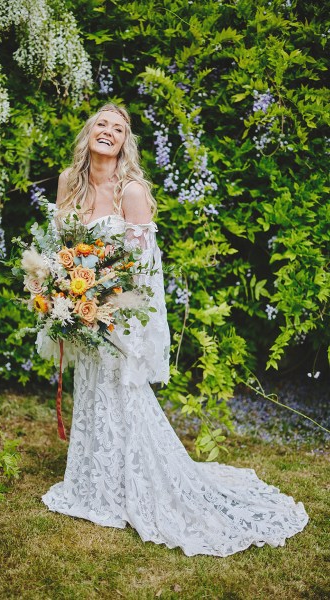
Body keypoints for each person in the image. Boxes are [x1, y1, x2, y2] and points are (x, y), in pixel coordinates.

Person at [40, 102, 309, 557]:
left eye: (118, 128)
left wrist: (110, 306)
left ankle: (137, 485)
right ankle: (92, 485)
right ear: (88, 134)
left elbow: (145, 269)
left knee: (122, 396)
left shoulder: (133, 192)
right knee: (90, 392)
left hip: (118, 312)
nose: (108, 132)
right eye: (101, 124)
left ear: (125, 143)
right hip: (82, 309)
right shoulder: (69, 181)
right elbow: (60, 244)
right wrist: (61, 290)